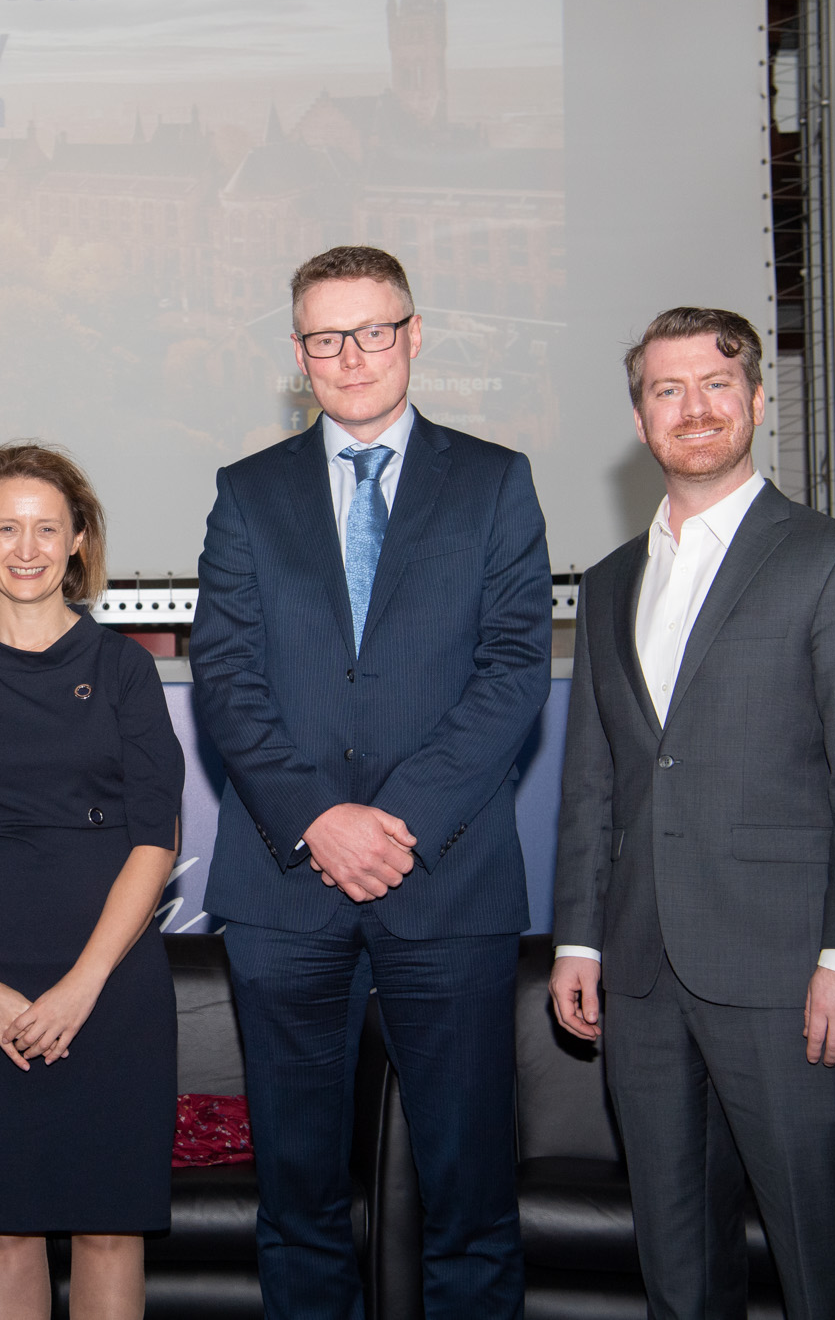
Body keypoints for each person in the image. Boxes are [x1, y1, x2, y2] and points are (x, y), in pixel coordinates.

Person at [188, 245, 551, 1319]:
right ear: (298, 355)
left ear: (416, 333)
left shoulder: (496, 480)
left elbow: (514, 669)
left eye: (373, 331)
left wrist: (396, 823)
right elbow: (228, 677)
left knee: (470, 1199)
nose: (350, 355)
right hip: (286, 891)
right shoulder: (245, 495)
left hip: (448, 882)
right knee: (298, 1203)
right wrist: (318, 820)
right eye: (324, 337)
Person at [550, 306, 835, 1320]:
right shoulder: (612, 580)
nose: (695, 408)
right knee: (678, 1263)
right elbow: (595, 781)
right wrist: (579, 939)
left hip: (787, 970)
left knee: (825, 1254)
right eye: (667, 390)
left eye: (717, 384)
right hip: (638, 972)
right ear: (640, 419)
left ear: (758, 401)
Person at [0, 443, 184, 1320]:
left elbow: (155, 838)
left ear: (79, 540)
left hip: (109, 979)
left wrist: (80, 987)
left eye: (46, 528)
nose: (26, 548)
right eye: (6, 528)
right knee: (3, 1227)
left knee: (108, 1227)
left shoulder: (127, 670)